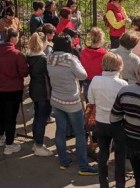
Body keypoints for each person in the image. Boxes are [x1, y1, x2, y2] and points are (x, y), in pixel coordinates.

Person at [47, 33, 98, 175]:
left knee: (60, 130)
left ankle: (63, 160)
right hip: (71, 101)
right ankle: (83, 165)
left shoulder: (49, 58)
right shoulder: (70, 59)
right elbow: (83, 75)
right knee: (80, 132)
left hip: (56, 99)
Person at [87, 53, 128, 188]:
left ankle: (103, 183)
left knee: (103, 153)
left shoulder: (95, 80)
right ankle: (120, 183)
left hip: (101, 122)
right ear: (119, 67)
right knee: (120, 156)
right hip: (118, 124)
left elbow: (91, 101)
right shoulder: (123, 84)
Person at [0, 28, 29, 155]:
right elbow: (24, 72)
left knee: (1, 111)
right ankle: (9, 144)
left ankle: (1, 137)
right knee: (11, 116)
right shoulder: (16, 54)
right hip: (13, 88)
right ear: (13, 38)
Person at [27, 33, 54, 157]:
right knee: (42, 118)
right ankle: (38, 145)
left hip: (34, 89)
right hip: (44, 91)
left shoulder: (29, 56)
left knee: (37, 116)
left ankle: (36, 142)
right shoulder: (43, 59)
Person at [80, 27, 108, 100]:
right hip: (100, 82)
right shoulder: (104, 54)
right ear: (101, 39)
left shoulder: (83, 52)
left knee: (89, 106)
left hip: (87, 81)